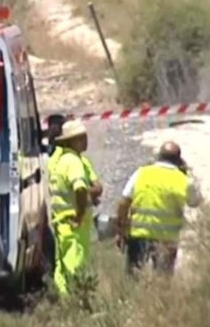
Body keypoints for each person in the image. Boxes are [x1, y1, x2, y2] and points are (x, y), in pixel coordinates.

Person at [115, 141, 202, 276]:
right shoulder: (183, 180)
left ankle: (131, 297)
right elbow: (195, 202)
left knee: (133, 278)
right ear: (178, 160)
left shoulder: (141, 173)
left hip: (139, 236)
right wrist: (185, 173)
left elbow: (124, 202)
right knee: (163, 281)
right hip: (166, 240)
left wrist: (121, 230)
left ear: (159, 156)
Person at [48, 119, 94, 295]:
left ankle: (64, 303)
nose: (85, 140)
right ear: (71, 141)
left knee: (63, 267)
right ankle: (77, 303)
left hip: (61, 222)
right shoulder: (73, 161)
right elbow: (80, 188)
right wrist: (80, 213)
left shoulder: (59, 161)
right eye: (80, 138)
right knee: (76, 266)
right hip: (74, 224)